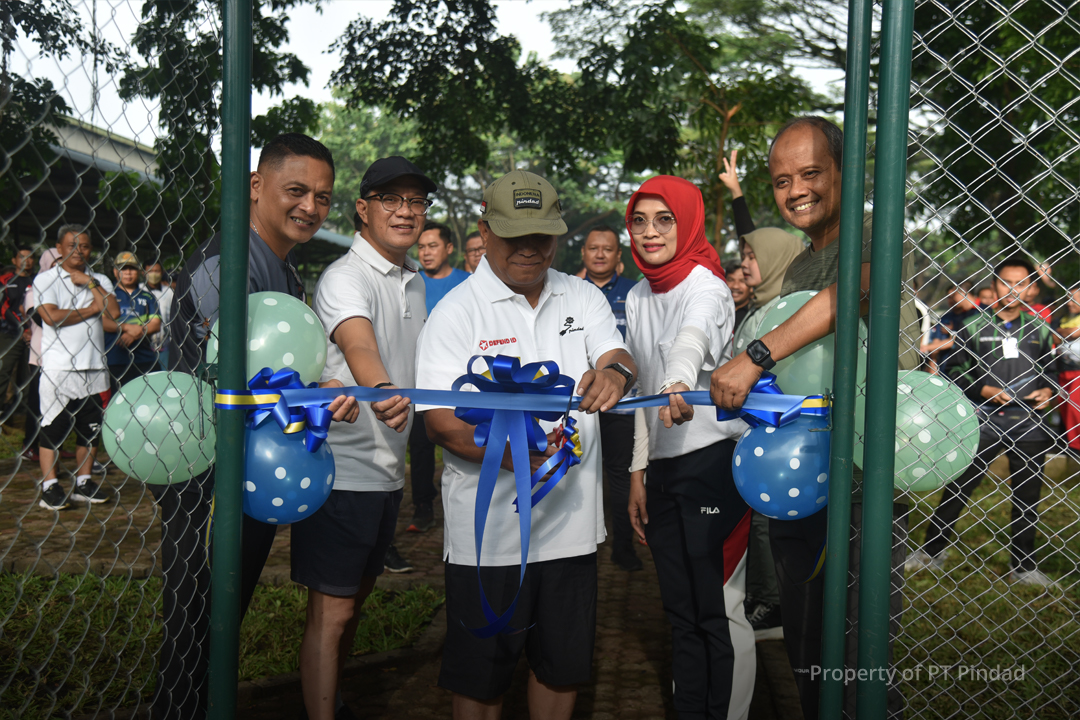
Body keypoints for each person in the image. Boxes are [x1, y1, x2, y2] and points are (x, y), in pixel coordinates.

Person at [709, 116, 921, 720]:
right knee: (806, 648)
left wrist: (754, 357)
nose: (795, 190)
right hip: (800, 483)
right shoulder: (801, 264)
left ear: (845, 174)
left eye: (810, 174)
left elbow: (844, 299)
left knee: (856, 658)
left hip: (862, 486)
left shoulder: (878, 234)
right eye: (781, 180)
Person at [417, 169, 636, 720]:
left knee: (560, 671)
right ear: (486, 231)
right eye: (515, 235)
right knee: (481, 679)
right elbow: (440, 423)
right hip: (487, 536)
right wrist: (523, 459)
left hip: (572, 531)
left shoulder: (580, 295)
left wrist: (615, 376)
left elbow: (618, 354)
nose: (530, 249)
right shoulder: (456, 312)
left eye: (543, 234)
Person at [158, 133, 359, 720]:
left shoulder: (281, 270)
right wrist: (311, 396)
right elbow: (233, 378)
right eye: (296, 191)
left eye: (323, 198)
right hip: (204, 476)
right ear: (255, 186)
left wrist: (313, 399)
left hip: (247, 471)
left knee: (219, 624)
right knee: (195, 629)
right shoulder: (229, 263)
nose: (310, 208)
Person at [296, 155, 435, 720]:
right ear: (363, 208)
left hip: (385, 469)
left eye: (416, 202)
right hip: (341, 470)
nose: (405, 212)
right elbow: (358, 346)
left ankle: (335, 702)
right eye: (391, 200)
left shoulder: (415, 280)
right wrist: (386, 391)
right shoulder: (345, 276)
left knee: (353, 606)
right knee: (329, 614)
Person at [621, 175, 754, 719]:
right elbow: (639, 389)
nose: (650, 233)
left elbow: (691, 339)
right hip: (664, 468)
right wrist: (638, 471)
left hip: (713, 461)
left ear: (688, 221)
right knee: (678, 610)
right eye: (640, 220)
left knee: (714, 609)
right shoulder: (635, 294)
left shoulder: (708, 285)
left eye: (664, 219)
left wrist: (677, 379)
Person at [908, 256, 1059, 588]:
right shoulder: (973, 325)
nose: (1013, 290)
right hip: (984, 421)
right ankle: (932, 551)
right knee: (960, 486)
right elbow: (955, 370)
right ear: (994, 285)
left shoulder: (1040, 328)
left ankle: (1023, 565)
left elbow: (1051, 369)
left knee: (1027, 496)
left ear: (1032, 288)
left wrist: (1048, 389)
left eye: (1021, 283)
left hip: (1029, 423)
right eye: (1006, 282)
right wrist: (984, 389)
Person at [34, 226, 121, 511]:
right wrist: (93, 308)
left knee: (90, 430)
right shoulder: (46, 279)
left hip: (95, 368)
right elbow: (51, 316)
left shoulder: (99, 279)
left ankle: (84, 482)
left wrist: (91, 286)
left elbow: (114, 313)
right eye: (71, 245)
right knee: (53, 428)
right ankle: (50, 485)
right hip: (60, 369)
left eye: (83, 246)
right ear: (59, 248)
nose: (77, 251)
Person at [579, 224, 642, 571]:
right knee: (576, 470)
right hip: (578, 405)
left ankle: (623, 546)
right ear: (584, 253)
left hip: (621, 406)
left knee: (619, 475)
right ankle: (580, 541)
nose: (600, 254)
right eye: (593, 248)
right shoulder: (568, 293)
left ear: (619, 257)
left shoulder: (634, 294)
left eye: (607, 249)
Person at [406, 221, 470, 535]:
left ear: (449, 248)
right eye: (421, 246)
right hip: (420, 382)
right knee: (420, 447)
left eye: (433, 245)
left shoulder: (468, 283)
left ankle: (464, 505)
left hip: (464, 384)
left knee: (463, 442)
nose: (426, 252)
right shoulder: (412, 282)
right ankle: (424, 506)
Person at [21, 248, 60, 463]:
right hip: (40, 356)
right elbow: (39, 317)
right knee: (37, 403)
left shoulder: (69, 288)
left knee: (59, 405)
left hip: (62, 358)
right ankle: (30, 445)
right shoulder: (34, 287)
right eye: (54, 263)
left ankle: (55, 446)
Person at [104, 251, 161, 392]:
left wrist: (136, 334)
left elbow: (155, 324)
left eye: (132, 268)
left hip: (144, 359)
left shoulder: (148, 296)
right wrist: (127, 328)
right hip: (114, 359)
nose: (128, 273)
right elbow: (102, 322)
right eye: (123, 268)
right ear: (115, 272)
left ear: (140, 272)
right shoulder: (107, 295)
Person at [0, 246, 35, 421]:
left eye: (29, 257)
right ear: (14, 261)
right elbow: (3, 307)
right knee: (4, 369)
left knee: (28, 374)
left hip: (33, 335)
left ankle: (22, 414)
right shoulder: (5, 280)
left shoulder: (38, 280)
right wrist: (22, 327)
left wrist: (29, 330)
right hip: (9, 333)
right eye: (22, 257)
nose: (26, 261)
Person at [1055, 286, 1080, 454]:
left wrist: (1063, 332)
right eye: (1068, 299)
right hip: (1063, 369)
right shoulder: (1063, 318)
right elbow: (1054, 334)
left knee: (1074, 408)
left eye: (1074, 299)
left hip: (1078, 371)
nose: (1069, 303)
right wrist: (1065, 332)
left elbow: (1075, 332)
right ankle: (1068, 443)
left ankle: (1076, 447)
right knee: (1064, 406)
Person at [144, 261, 174, 370]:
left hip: (165, 345)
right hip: (143, 345)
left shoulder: (169, 292)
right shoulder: (139, 291)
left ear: (162, 272)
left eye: (156, 271)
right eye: (150, 271)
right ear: (144, 273)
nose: (153, 274)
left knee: (164, 375)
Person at [725, 261, 752, 331]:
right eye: (731, 280)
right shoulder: (717, 309)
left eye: (742, 281)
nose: (735, 286)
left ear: (751, 287)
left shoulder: (753, 314)